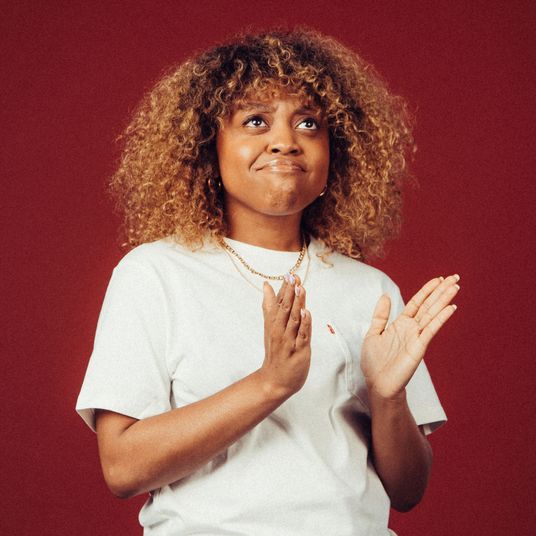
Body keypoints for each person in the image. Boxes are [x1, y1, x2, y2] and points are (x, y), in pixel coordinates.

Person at [76, 27, 459, 535]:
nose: (285, 141)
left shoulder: (373, 291)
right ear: (208, 147)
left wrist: (388, 399)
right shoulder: (154, 274)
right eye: (255, 121)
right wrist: (270, 384)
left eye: (308, 123)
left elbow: (407, 492)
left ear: (337, 152)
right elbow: (122, 468)